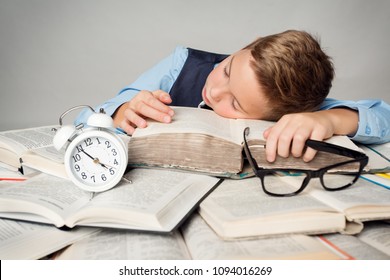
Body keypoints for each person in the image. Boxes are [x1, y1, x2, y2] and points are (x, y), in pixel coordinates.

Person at [76, 30, 390, 163]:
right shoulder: (179, 64)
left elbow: (384, 117)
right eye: (226, 70)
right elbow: (83, 120)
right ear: (246, 46)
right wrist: (119, 113)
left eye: (236, 104)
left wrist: (330, 118)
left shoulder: (293, 104)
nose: (214, 91)